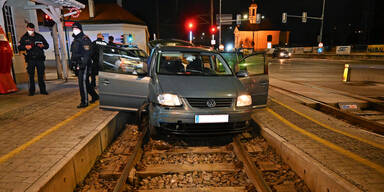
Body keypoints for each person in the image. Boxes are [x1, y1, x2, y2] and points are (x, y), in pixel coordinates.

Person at [70, 22, 99, 108]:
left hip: (84, 64)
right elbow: (73, 53)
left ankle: (84, 102)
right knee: (85, 82)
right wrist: (71, 63)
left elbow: (87, 53)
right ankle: (95, 96)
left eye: (76, 29)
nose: (74, 30)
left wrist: (83, 65)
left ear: (80, 29)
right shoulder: (75, 39)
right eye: (73, 29)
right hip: (78, 63)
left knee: (82, 83)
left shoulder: (84, 39)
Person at [18, 23, 49, 96]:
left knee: (41, 75)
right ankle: (31, 91)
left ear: (34, 29)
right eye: (29, 29)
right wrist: (25, 47)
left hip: (39, 59)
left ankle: (43, 90)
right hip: (30, 59)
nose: (31, 30)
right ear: (27, 28)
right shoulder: (24, 37)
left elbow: (47, 45)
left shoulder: (39, 36)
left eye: (32, 29)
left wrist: (42, 46)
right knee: (31, 76)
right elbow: (19, 47)